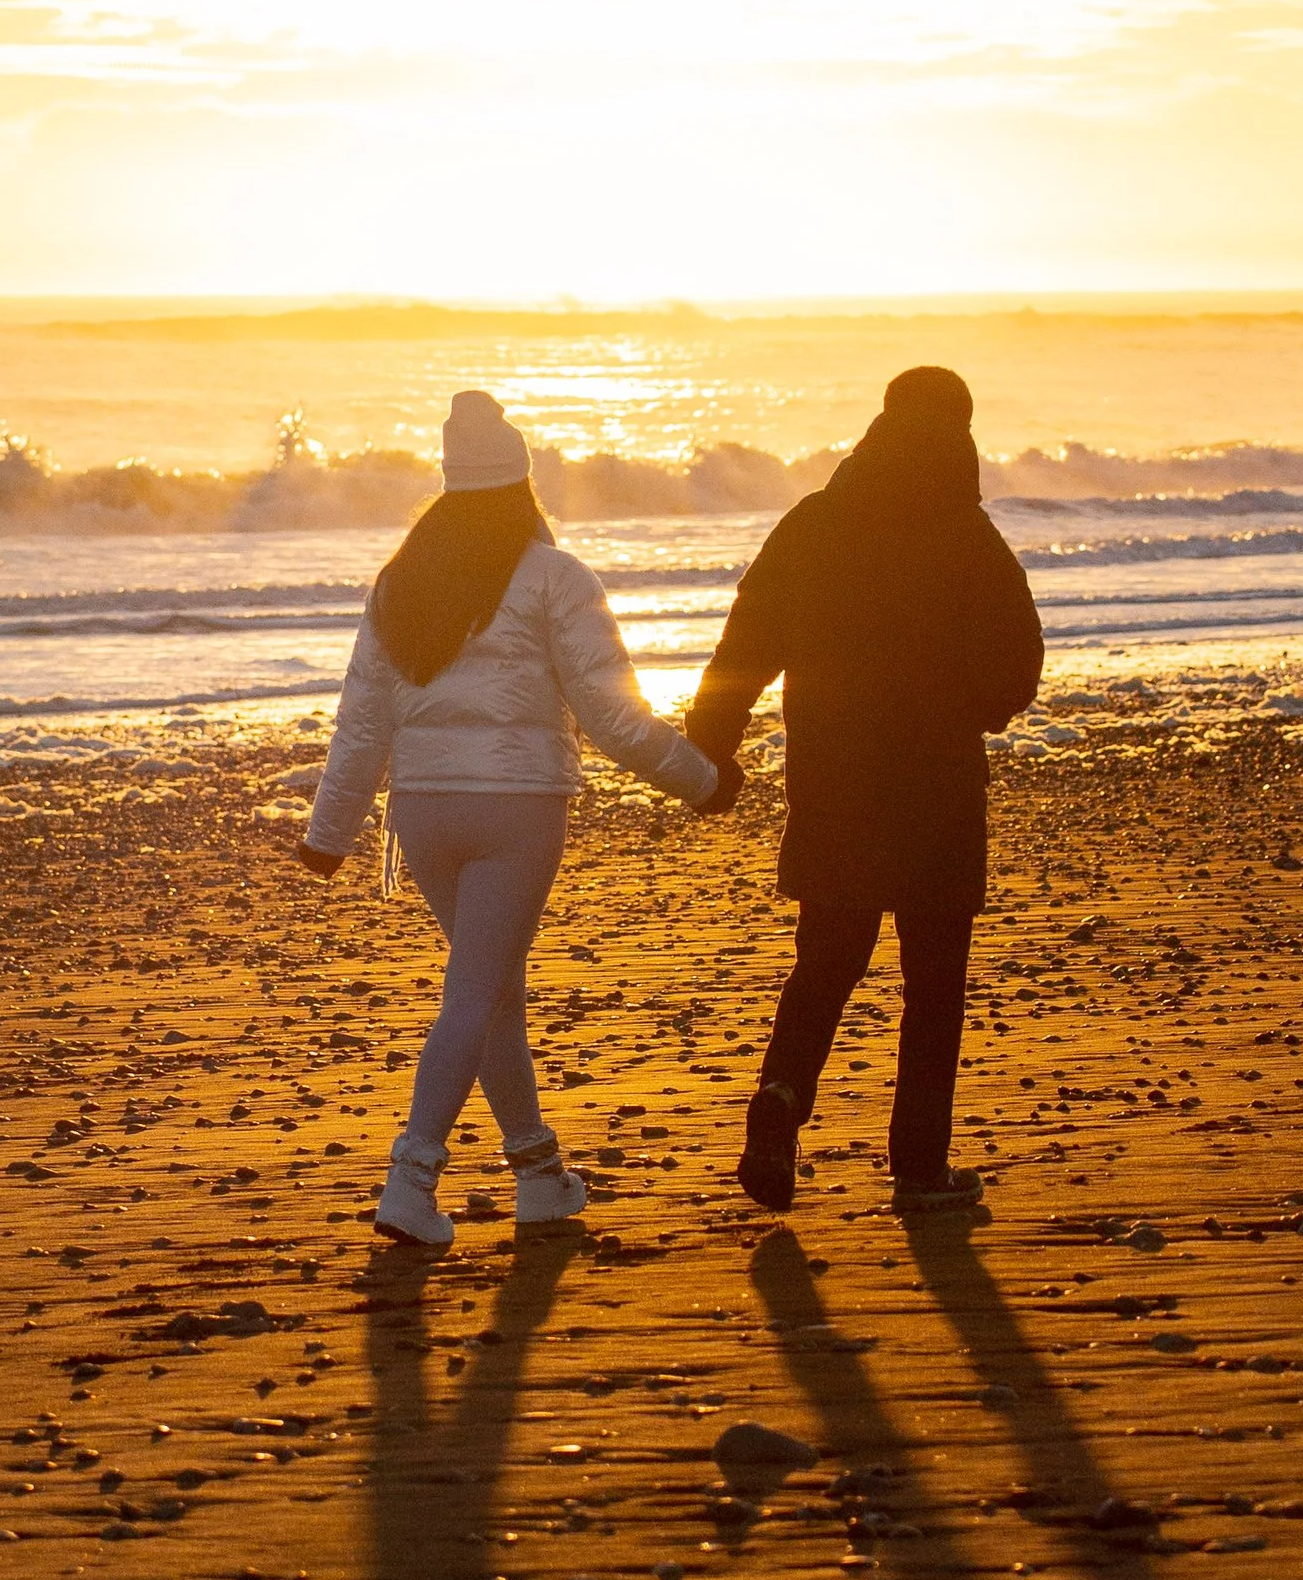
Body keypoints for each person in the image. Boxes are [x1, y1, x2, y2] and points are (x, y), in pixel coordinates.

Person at [298, 389, 735, 1247]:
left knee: (495, 990)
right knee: (476, 993)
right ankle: (411, 1178)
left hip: (422, 813)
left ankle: (538, 1174)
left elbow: (362, 720)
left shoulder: (400, 580)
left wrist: (329, 833)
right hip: (516, 811)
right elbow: (612, 718)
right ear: (521, 483)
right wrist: (704, 781)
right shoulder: (555, 576)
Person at [685, 364, 1042, 1214]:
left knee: (826, 963)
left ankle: (779, 1101)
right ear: (960, 434)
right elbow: (1017, 662)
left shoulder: (813, 522)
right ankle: (918, 1169)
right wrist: (974, 709)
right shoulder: (970, 536)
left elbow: (744, 645)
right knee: (934, 985)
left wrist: (709, 752)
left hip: (835, 782)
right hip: (939, 790)